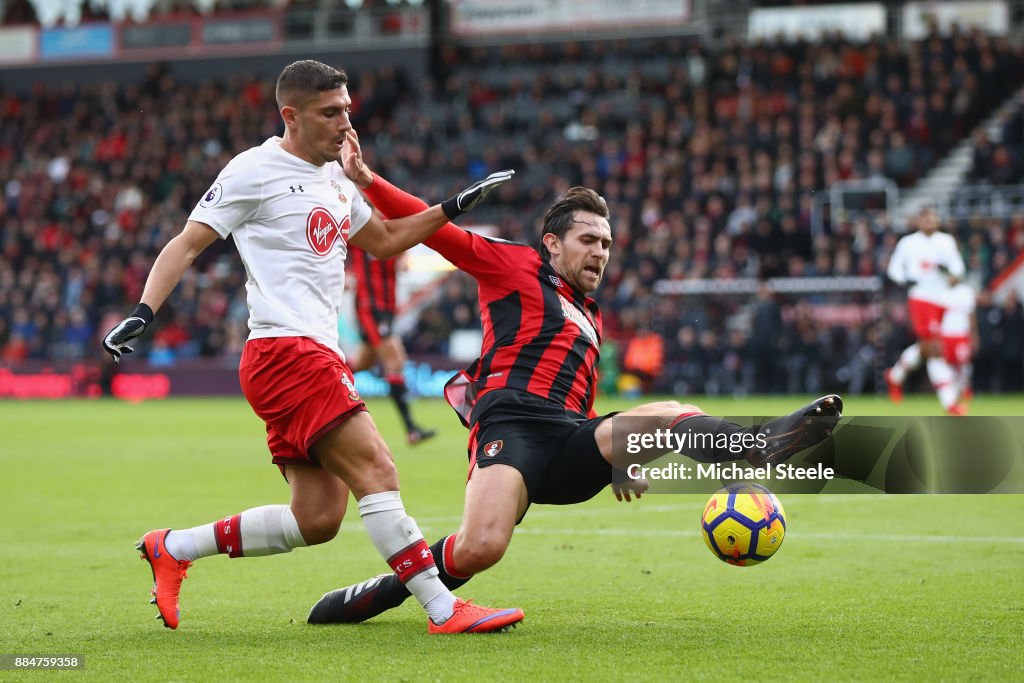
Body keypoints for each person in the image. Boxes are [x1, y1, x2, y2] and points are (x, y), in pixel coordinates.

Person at [305, 141, 842, 625]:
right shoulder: (513, 265)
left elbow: (583, 402)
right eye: (589, 240)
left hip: (567, 438)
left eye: (606, 244)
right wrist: (369, 181)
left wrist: (619, 458)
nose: (601, 253)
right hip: (510, 425)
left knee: (670, 413)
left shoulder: (590, 315)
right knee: (481, 548)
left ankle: (760, 446)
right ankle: (387, 592)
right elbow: (437, 231)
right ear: (553, 244)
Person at [101, 60, 522, 634]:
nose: (345, 122)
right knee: (377, 466)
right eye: (330, 112)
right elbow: (187, 244)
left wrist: (453, 206)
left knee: (318, 518)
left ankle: (172, 547)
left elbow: (387, 240)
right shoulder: (253, 170)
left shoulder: (335, 180)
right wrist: (143, 311)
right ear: (290, 116)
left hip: (307, 354)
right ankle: (443, 608)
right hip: (286, 350)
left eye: (347, 109)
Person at [346, 244, 436, 445]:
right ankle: (412, 429)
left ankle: (321, 379)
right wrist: (345, 273)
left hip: (387, 308)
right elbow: (335, 241)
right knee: (396, 361)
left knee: (363, 362)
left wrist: (403, 259)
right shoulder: (359, 229)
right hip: (370, 308)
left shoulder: (389, 227)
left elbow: (402, 252)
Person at [884, 206, 966, 414]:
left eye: (933, 218)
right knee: (934, 348)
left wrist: (954, 276)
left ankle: (894, 376)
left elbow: (958, 268)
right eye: (926, 218)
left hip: (942, 300)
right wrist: (907, 280)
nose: (930, 221)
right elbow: (894, 269)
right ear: (919, 221)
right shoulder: (908, 243)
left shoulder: (946, 241)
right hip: (920, 298)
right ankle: (950, 404)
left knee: (925, 347)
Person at [939, 282, 979, 414]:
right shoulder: (940, 289)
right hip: (944, 335)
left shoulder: (966, 291)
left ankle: (964, 389)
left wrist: (974, 335)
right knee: (946, 367)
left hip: (961, 334)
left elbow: (971, 314)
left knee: (963, 365)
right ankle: (953, 398)